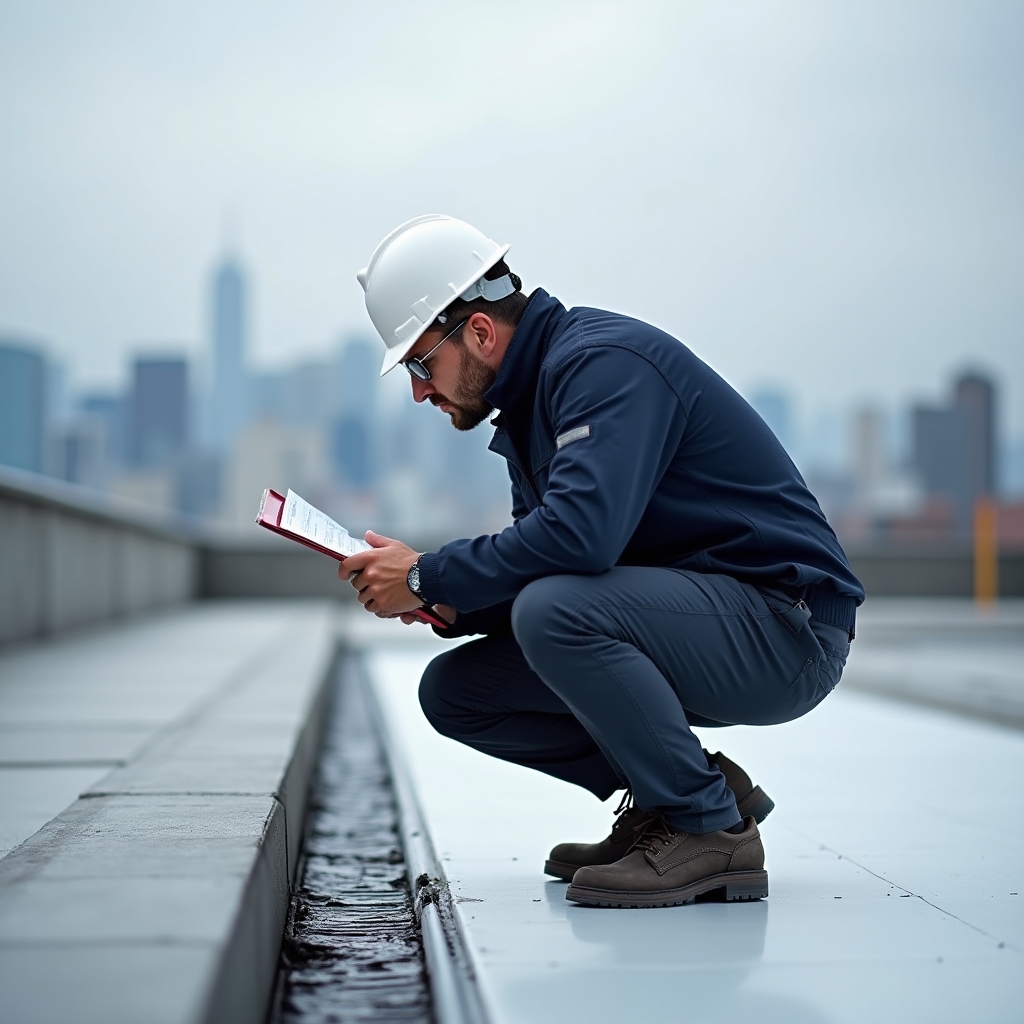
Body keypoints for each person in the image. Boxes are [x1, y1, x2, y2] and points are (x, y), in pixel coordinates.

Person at [339, 214, 864, 909]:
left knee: (555, 612)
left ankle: (708, 830)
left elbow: (578, 540)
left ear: (480, 333)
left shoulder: (600, 364)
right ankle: (678, 796)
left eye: (418, 364)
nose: (418, 390)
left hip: (785, 628)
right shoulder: (532, 407)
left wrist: (422, 574)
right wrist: (449, 604)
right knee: (457, 692)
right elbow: (551, 558)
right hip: (709, 617)